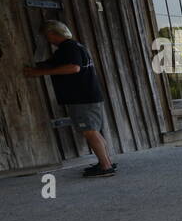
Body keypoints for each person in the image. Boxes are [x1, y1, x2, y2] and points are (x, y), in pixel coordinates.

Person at [21, 20, 115, 177]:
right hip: (89, 95)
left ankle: (105, 167)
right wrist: (40, 66)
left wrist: (38, 73)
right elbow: (55, 63)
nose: (46, 39)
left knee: (90, 132)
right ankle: (106, 163)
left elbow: (74, 67)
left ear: (52, 33)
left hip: (82, 97)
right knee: (93, 131)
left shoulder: (68, 48)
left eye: (46, 35)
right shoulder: (74, 46)